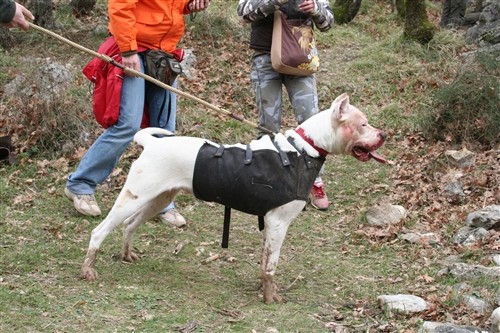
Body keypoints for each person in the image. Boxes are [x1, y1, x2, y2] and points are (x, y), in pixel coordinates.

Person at [65, 0, 211, 226]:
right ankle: (81, 184)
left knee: (165, 131)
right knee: (128, 125)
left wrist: (189, 4)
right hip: (132, 51)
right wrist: (128, 49)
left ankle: (161, 202)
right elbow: (120, 6)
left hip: (163, 53)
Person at [237, 0, 334, 210]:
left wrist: (315, 10)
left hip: (301, 57)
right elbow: (243, 12)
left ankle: (314, 182)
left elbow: (328, 22)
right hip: (265, 57)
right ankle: (268, 183)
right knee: (268, 124)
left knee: (311, 121)